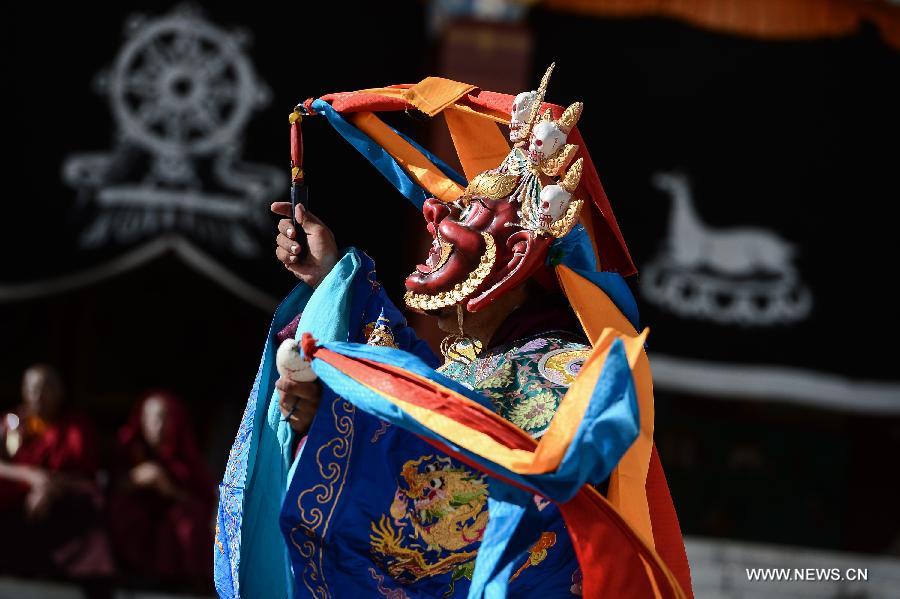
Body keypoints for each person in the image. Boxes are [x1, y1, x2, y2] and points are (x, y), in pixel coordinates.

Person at [215, 69, 693, 598]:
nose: (440, 221)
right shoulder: (481, 359)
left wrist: (331, 413)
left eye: (473, 214)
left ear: (515, 264)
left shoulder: (569, 370)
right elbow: (424, 391)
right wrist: (328, 279)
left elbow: (478, 480)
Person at [0, 364, 113, 580]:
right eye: (32, 388)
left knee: (89, 502)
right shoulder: (12, 423)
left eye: (46, 388)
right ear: (23, 391)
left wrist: (47, 487)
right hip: (18, 496)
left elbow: (85, 474)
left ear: (60, 393)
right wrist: (30, 476)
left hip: (62, 495)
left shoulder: (76, 427)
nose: (38, 396)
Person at [108, 390, 215, 589]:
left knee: (186, 519)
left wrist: (168, 489)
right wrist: (134, 479)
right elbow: (110, 487)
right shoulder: (129, 447)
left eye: (164, 419)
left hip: (171, 523)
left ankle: (181, 581)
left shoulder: (186, 455)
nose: (157, 427)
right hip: (140, 518)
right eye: (150, 418)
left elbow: (203, 500)